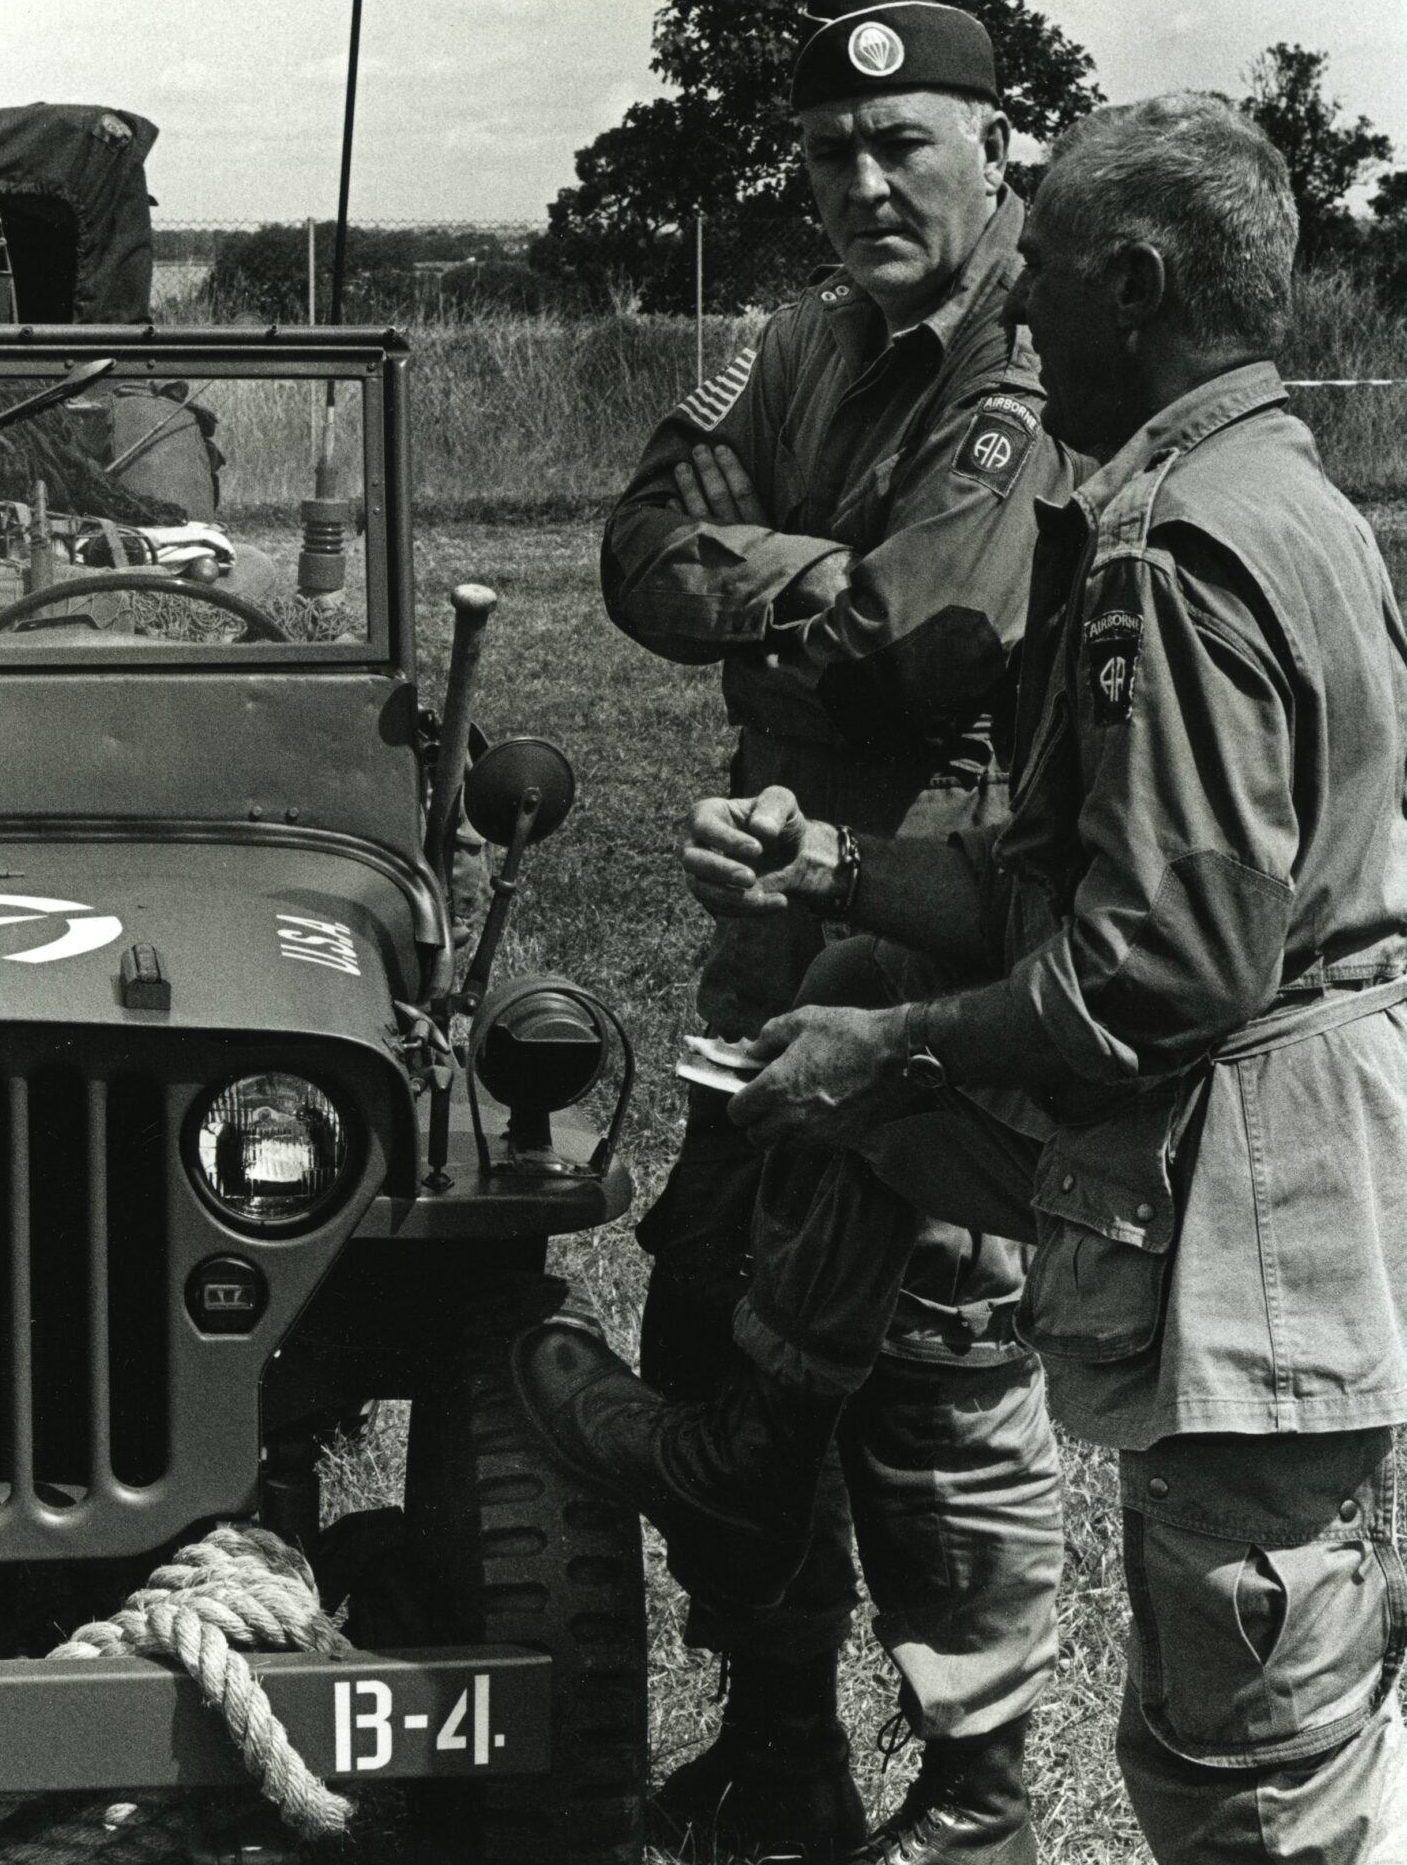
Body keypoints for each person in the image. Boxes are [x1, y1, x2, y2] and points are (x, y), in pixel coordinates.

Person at [523, 93, 1407, 1865]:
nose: (1026, 318)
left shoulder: (1180, 545)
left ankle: (960, 1748)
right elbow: (1111, 898)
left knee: (1251, 1771)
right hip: (1259, 1134)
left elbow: (1166, 964)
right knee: (1249, 1723)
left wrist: (896, 1048)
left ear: (1136, 282)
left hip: (1257, 1189)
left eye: (1054, 281)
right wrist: (842, 875)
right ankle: (751, 1460)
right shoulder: (1265, 491)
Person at [601, 0, 1078, 1859]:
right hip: (773, 936)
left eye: (903, 142)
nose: (866, 182)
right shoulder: (796, 344)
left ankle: (972, 1791)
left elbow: (919, 649)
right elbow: (642, 554)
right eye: (828, 153)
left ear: (994, 143)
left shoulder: (1031, 354)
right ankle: (779, 1741)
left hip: (941, 926)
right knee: (717, 1329)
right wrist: (819, 579)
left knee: (935, 1371)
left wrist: (783, 590)